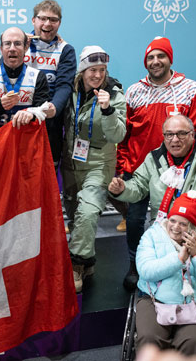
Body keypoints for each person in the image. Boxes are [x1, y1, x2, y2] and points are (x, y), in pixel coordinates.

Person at [116, 37, 196, 290]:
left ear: (170, 59)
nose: (155, 61)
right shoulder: (133, 91)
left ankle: (178, 265)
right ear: (145, 62)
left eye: (161, 56)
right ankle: (135, 264)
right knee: (134, 221)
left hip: (178, 170)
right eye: (150, 57)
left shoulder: (189, 88)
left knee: (175, 221)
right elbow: (124, 134)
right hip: (140, 169)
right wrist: (123, 166)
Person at [109, 115, 196, 261]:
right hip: (165, 242)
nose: (175, 139)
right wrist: (123, 189)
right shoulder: (154, 159)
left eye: (181, 133)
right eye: (169, 134)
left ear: (192, 134)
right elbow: (139, 187)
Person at [60, 46, 126, 292]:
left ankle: (76, 264)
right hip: (71, 162)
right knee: (75, 215)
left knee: (88, 212)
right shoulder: (69, 89)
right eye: (92, 70)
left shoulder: (115, 94)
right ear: (82, 70)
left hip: (99, 163)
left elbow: (118, 134)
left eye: (102, 70)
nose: (98, 75)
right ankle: (87, 263)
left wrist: (107, 110)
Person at [134, 190, 196, 356]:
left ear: (192, 227)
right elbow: (146, 271)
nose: (175, 227)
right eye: (173, 220)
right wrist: (178, 259)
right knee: (149, 338)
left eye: (183, 224)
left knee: (194, 341)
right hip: (154, 299)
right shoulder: (152, 236)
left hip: (195, 302)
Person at [26, 0, 77, 165]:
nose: (47, 24)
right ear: (33, 20)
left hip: (50, 120)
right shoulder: (19, 44)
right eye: (43, 18)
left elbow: (65, 85)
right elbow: (2, 72)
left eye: (53, 20)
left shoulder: (65, 49)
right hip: (21, 117)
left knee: (48, 168)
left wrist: (55, 107)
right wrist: (20, 46)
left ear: (59, 23)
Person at [0, 27, 50, 128]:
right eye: (7, 43)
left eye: (17, 44)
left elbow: (42, 112)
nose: (12, 48)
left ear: (26, 47)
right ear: (1, 49)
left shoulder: (38, 76)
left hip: (27, 135)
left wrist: (31, 114)